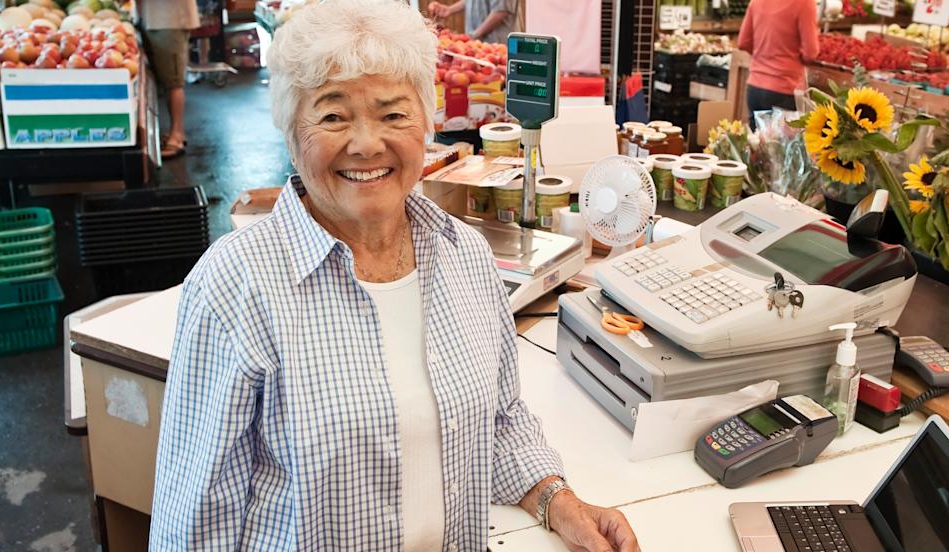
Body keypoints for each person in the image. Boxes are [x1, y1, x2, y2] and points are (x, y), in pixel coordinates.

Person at [148, 1, 639, 551]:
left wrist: (559, 502)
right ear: (290, 130)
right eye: (332, 116)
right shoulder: (235, 287)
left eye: (393, 113)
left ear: (427, 122)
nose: (366, 143)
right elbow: (196, 521)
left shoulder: (466, 259)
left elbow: (498, 423)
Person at [737, 0, 820, 126]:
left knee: (757, 142)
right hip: (784, 89)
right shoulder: (804, 3)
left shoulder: (756, 2)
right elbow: (810, 53)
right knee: (783, 144)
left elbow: (743, 42)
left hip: (755, 88)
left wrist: (763, 55)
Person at [139, 0, 199, 159]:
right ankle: (175, 131)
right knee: (165, 80)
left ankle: (177, 135)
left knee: (173, 81)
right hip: (151, 19)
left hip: (170, 21)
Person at [427, 0, 519, 44]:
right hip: (477, 45)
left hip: (496, 47)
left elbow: (501, 11)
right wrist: (449, 9)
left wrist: (474, 35)